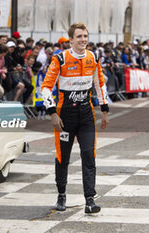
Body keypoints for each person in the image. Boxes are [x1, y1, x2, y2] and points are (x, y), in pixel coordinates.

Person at [40, 22, 109, 214]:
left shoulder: (93, 57)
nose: (83, 40)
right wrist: (52, 113)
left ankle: (90, 200)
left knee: (89, 156)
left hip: (86, 115)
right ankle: (61, 194)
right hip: (65, 117)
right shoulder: (60, 58)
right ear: (70, 40)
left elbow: (99, 84)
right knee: (63, 158)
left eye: (85, 36)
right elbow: (45, 87)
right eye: (79, 36)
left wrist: (104, 110)